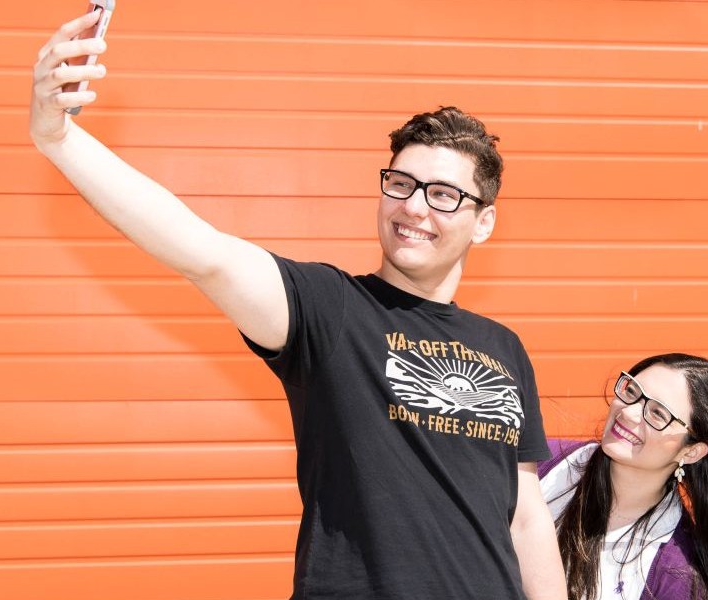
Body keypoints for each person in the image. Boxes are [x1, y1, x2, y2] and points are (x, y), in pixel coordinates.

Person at [28, 10, 566, 600]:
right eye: (400, 184)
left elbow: (526, 515)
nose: (413, 207)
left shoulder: (503, 347)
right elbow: (202, 251)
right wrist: (60, 140)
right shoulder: (329, 310)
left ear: (483, 220)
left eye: (442, 195)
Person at [538, 353, 708, 600]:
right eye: (632, 391)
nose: (629, 413)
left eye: (658, 413)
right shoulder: (537, 466)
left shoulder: (675, 575)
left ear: (691, 451)